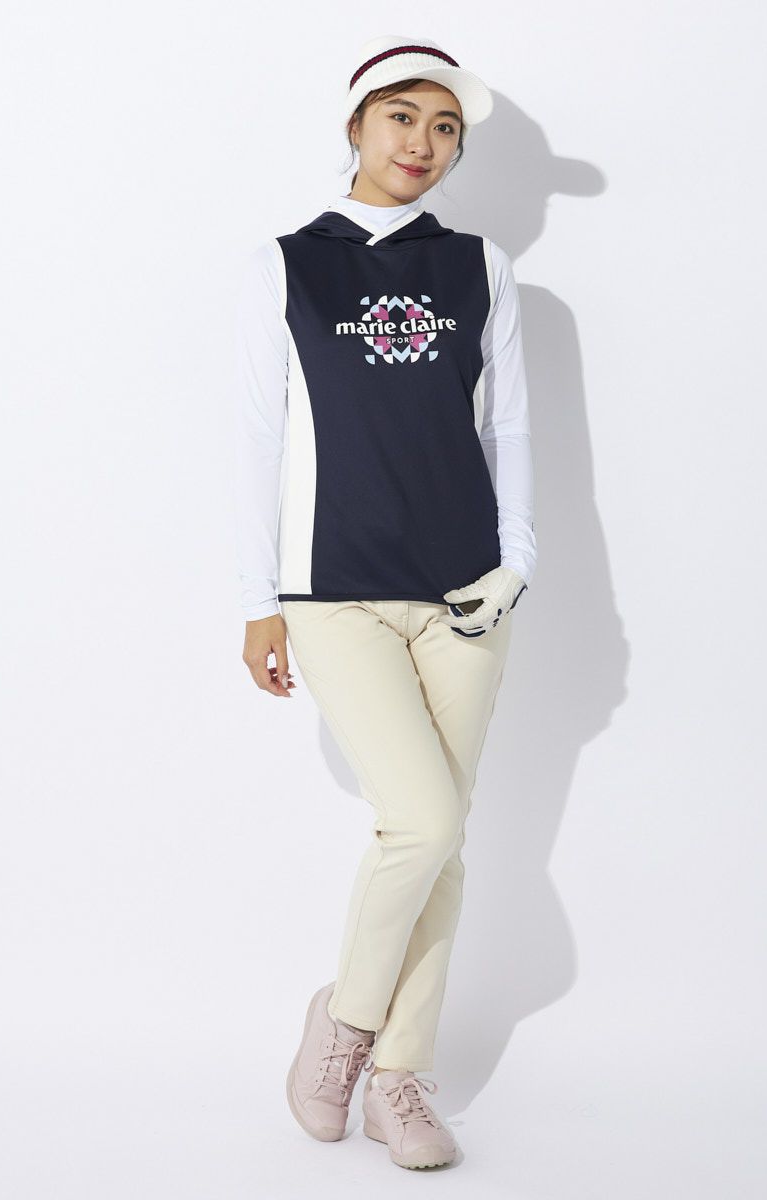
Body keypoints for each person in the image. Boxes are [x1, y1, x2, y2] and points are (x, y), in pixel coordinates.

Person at [234, 34, 537, 1171]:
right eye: (403, 117)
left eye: (445, 127)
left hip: (466, 592)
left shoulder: (479, 266)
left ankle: (397, 1080)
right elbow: (256, 439)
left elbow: (509, 422)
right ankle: (348, 1026)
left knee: (442, 840)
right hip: (335, 590)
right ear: (356, 127)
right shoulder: (286, 265)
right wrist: (256, 598)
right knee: (425, 820)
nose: (424, 142)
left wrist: (518, 561)